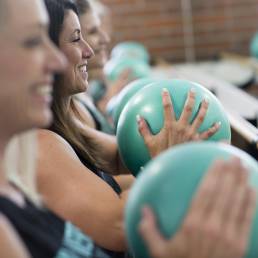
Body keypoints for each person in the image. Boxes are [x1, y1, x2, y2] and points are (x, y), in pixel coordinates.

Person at [36, 0, 221, 253]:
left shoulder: (65, 126)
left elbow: (124, 158)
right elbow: (123, 228)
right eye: (76, 38)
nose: (89, 50)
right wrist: (170, 161)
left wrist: (178, 136)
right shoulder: (39, 143)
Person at [0, 0, 125, 257]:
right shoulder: (38, 145)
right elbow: (120, 225)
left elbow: (117, 158)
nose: (56, 60)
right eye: (32, 41)